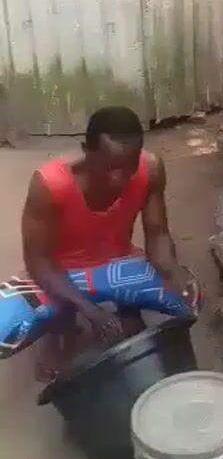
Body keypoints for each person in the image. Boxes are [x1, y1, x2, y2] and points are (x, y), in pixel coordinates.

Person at [21, 106, 197, 379]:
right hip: (64, 271)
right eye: (110, 167)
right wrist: (89, 310)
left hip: (119, 265)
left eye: (130, 166)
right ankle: (61, 325)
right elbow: (38, 261)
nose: (120, 178)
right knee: (6, 324)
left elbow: (158, 235)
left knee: (190, 299)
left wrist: (174, 273)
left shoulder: (150, 169)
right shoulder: (50, 184)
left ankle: (127, 307)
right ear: (86, 151)